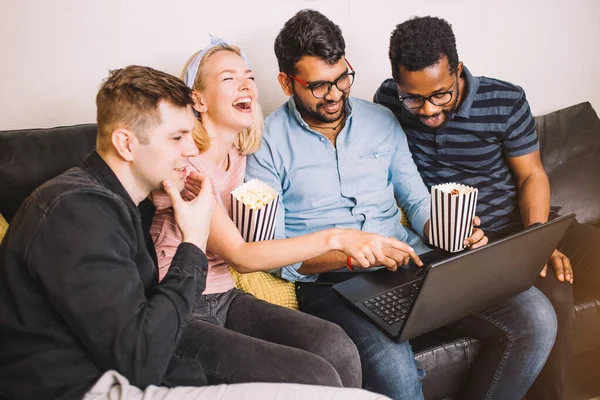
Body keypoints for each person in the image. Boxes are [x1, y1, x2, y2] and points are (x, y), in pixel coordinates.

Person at [0, 65, 388, 400]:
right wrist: (193, 239)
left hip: (127, 366)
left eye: (190, 134)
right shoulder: (78, 211)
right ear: (126, 144)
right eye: (176, 138)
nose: (190, 149)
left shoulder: (118, 202)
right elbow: (142, 359)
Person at [246, 9, 558, 400]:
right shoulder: (264, 142)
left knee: (535, 317)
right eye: (319, 86)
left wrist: (451, 230)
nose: (336, 94)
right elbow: (273, 252)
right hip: (334, 285)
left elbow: (416, 199)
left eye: (343, 77)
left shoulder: (382, 119)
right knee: (396, 372)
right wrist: (348, 253)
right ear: (286, 82)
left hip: (415, 262)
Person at [148, 37, 417, 389]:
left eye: (248, 77)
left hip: (226, 297)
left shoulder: (240, 157)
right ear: (197, 98)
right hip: (178, 308)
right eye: (229, 79)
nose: (245, 84)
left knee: (336, 347)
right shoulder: (186, 166)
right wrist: (338, 238)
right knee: (313, 374)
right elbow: (242, 256)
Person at [373, 16, 600, 400]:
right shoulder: (388, 101)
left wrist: (537, 238)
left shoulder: (505, 100)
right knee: (557, 292)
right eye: (414, 98)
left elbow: (532, 176)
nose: (427, 109)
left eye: (440, 94)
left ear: (457, 70)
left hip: (530, 225)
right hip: (477, 242)